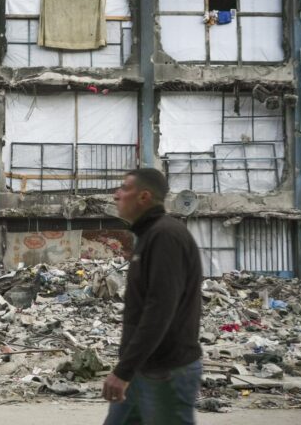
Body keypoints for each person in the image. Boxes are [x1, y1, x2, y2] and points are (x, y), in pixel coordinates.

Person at [102, 168, 203, 425]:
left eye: (124, 188)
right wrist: (128, 367)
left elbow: (159, 310)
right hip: (142, 369)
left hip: (165, 372)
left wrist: (124, 371)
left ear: (144, 197)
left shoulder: (165, 236)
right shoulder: (149, 236)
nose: (116, 195)